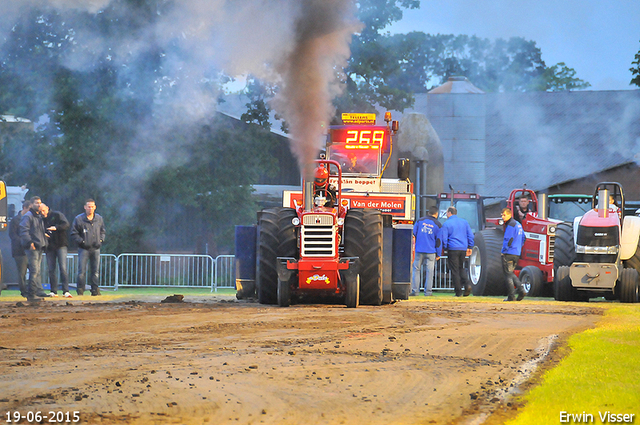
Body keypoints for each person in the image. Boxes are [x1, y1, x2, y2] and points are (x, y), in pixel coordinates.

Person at [70, 199, 106, 296]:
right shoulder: (79, 219)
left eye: (92, 206)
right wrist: (82, 242)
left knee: (95, 271)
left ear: (95, 207)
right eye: (88, 206)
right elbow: (74, 233)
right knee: (81, 271)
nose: (90, 208)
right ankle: (80, 290)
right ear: (85, 207)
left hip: (96, 248)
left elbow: (103, 231)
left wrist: (101, 240)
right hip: (84, 249)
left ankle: (95, 290)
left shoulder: (99, 218)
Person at [19, 196, 50, 302]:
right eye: (36, 203)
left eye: (40, 203)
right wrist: (30, 242)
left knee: (36, 271)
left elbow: (39, 230)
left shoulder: (38, 216)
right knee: (34, 270)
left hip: (39, 246)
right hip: (33, 247)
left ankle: (35, 292)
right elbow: (23, 230)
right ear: (31, 205)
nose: (39, 205)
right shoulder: (28, 216)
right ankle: (31, 295)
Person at [440, 206, 474, 297]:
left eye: (447, 212)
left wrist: (446, 248)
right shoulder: (464, 222)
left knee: (455, 271)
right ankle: (467, 285)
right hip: (463, 249)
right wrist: (470, 246)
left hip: (452, 248)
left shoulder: (446, 224)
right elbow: (470, 235)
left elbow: (444, 238)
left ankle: (458, 292)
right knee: (461, 267)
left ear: (449, 213)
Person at [411, 206, 442, 296]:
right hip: (431, 251)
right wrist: (438, 254)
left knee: (416, 270)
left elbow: (414, 233)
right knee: (430, 272)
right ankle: (428, 292)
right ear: (436, 214)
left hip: (419, 250)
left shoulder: (419, 221)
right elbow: (439, 240)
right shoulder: (438, 224)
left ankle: (415, 291)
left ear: (428, 212)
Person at [43, 205, 72, 298]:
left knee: (63, 268)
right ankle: (53, 291)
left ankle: (66, 291)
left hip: (61, 244)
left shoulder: (57, 215)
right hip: (49, 247)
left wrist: (56, 227)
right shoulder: (40, 219)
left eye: (43, 210)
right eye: (40, 211)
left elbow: (66, 224)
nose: (42, 213)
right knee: (51, 269)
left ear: (47, 208)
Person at [501, 208, 526, 301]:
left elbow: (509, 239)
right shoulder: (518, 224)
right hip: (516, 253)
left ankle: (512, 296)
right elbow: (524, 237)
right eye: (502, 215)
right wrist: (518, 247)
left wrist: (504, 250)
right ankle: (521, 290)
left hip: (509, 253)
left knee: (507, 275)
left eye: (504, 215)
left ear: (509, 215)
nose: (502, 217)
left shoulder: (510, 225)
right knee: (510, 273)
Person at [9, 200, 31, 298]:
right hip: (19, 250)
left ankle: (32, 290)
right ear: (24, 208)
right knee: (22, 272)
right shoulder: (15, 220)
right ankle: (24, 291)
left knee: (34, 271)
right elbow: (13, 235)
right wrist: (25, 242)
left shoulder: (29, 219)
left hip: (29, 249)